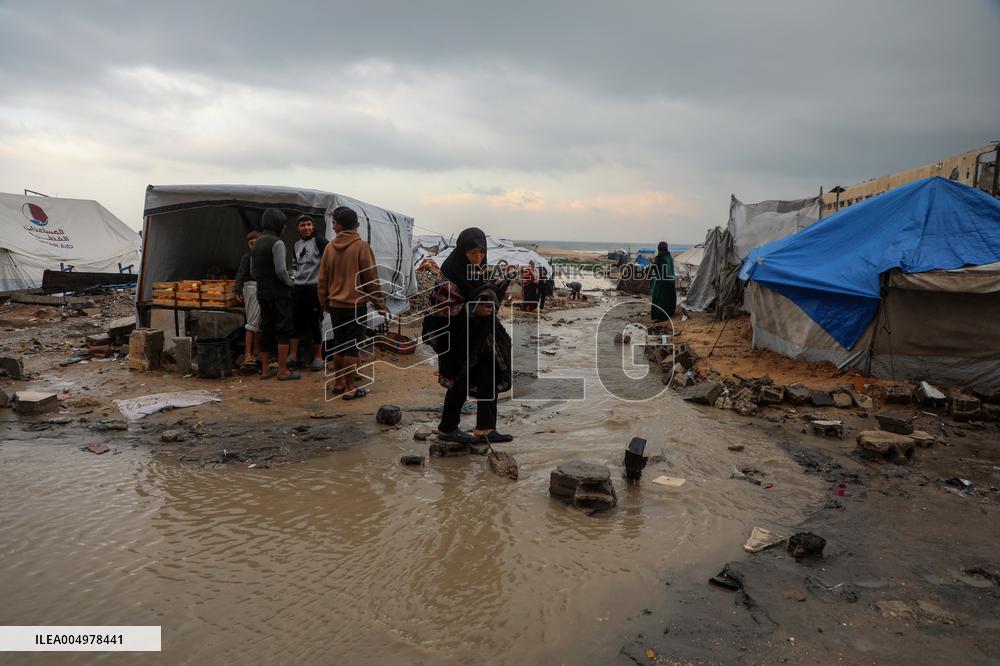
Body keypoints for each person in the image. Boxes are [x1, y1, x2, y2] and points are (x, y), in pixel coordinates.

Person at [425, 227, 514, 445]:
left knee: (489, 376)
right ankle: (447, 428)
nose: (478, 257)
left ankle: (485, 428)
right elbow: (440, 307)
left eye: (482, 253)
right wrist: (473, 309)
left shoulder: (479, 270)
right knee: (459, 380)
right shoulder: (450, 270)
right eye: (473, 252)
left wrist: (504, 281)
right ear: (462, 250)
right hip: (457, 337)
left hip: (481, 335)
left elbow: (487, 289)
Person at [317, 206, 387, 400]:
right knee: (352, 347)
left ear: (338, 226)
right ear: (357, 225)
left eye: (333, 223)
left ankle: (339, 383)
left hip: (335, 306)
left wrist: (324, 302)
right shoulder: (361, 247)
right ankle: (350, 388)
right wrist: (380, 305)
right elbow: (370, 279)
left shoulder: (330, 248)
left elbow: (322, 280)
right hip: (355, 306)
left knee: (339, 345)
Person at [251, 209, 299, 380]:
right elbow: (280, 270)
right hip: (279, 293)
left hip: (262, 292)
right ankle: (282, 370)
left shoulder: (256, 243)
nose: (284, 227)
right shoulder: (277, 243)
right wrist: (290, 282)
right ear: (277, 224)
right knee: (284, 330)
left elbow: (253, 270)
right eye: (283, 224)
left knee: (266, 329)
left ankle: (264, 370)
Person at [290, 214, 328, 371]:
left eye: (308, 225)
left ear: (313, 226)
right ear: (297, 228)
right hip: (298, 288)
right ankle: (292, 355)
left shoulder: (320, 241)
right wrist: (292, 277)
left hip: (314, 289)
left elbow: (329, 262)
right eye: (302, 225)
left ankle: (318, 357)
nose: (306, 228)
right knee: (295, 322)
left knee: (315, 323)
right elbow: (294, 265)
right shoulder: (297, 245)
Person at [235, 230, 261, 370]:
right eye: (251, 243)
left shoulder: (263, 256)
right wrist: (237, 289)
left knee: (258, 321)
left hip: (261, 287)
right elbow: (241, 273)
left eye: (256, 243)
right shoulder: (247, 257)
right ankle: (247, 354)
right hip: (250, 287)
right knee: (251, 322)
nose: (253, 246)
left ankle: (256, 351)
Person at [651, 241, 676, 321]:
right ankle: (669, 313)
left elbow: (655, 267)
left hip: (662, 282)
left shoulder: (660, 257)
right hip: (671, 281)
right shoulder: (669, 257)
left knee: (659, 299)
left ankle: (661, 316)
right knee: (669, 299)